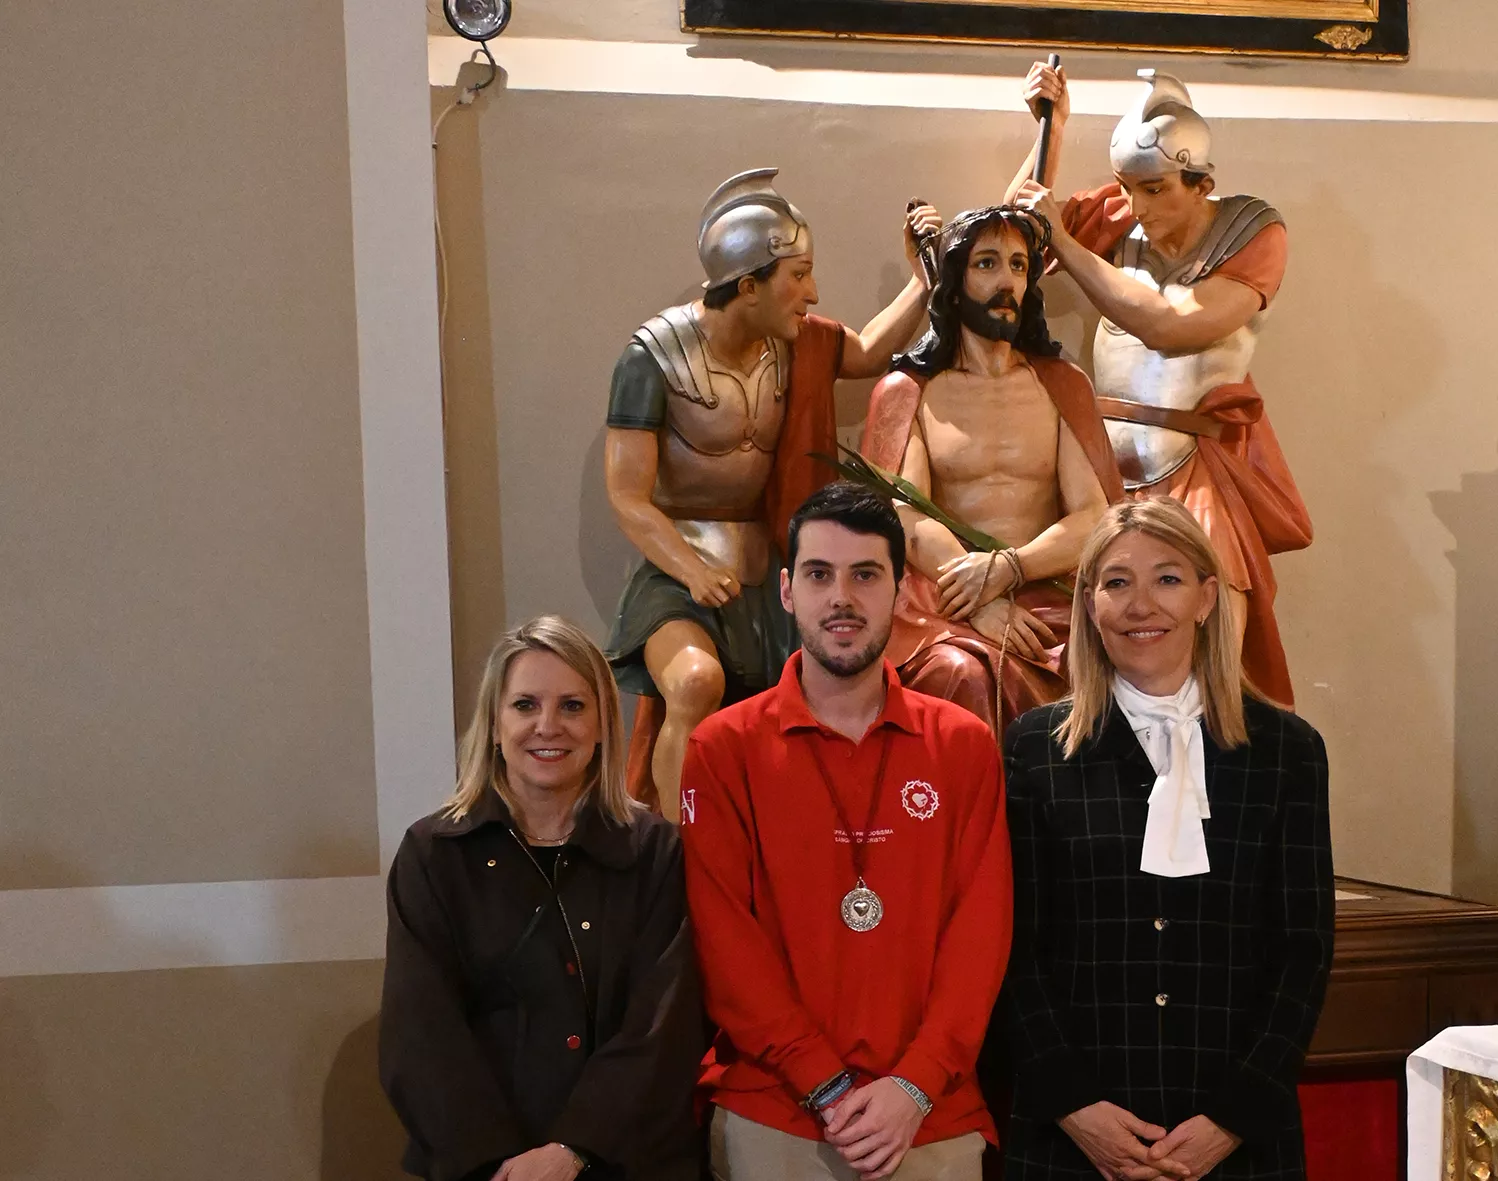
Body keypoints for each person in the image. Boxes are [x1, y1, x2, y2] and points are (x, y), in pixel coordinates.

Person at [680, 481, 1014, 1181]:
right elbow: (726, 945)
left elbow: (980, 932)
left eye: (866, 574)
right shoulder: (723, 747)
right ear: (786, 590)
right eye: (819, 574)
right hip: (777, 1111)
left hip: (931, 1113)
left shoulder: (962, 743)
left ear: (901, 590)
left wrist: (915, 1083)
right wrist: (827, 1084)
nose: (842, 597)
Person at [995, 499, 1333, 1181]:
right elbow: (1012, 949)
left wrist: (1230, 1118)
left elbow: (1303, 952)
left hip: (1235, 1143)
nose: (1140, 604)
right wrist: (1075, 1107)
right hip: (1074, 1141)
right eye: (1116, 582)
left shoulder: (1287, 752)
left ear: (1207, 597)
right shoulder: (1034, 748)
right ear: (1090, 604)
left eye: (1167, 579)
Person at [605, 167, 943, 820]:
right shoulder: (653, 356)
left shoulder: (794, 344)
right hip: (680, 573)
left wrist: (922, 283)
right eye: (800, 274)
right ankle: (678, 852)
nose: (812, 293)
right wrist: (690, 569)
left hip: (772, 574)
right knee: (697, 683)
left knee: (807, 704)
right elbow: (627, 495)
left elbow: (870, 351)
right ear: (750, 283)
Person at [1007, 62, 1313, 707]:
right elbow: (1010, 236)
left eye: (1154, 189)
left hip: (1196, 462)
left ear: (1201, 181)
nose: (1138, 205)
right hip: (1101, 464)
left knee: (1218, 618)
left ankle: (1223, 774)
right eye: (1128, 188)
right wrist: (1050, 132)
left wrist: (1063, 236)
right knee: (1092, 636)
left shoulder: (1252, 230)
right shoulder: (1118, 219)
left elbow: (1174, 327)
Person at [380, 616, 703, 1181]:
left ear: (603, 723)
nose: (548, 726)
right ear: (495, 723)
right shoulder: (433, 855)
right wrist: (500, 1164)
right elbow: (420, 1032)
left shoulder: (656, 851)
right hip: (481, 1166)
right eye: (525, 705)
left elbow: (664, 1023)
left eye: (573, 706)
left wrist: (573, 1150)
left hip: (626, 1159)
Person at [859, 204, 1119, 732]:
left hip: (1048, 590)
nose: (1007, 282)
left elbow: (1094, 515)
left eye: (1020, 266)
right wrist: (978, 601)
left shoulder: (1061, 386)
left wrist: (1010, 568)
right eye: (987, 264)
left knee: (1099, 660)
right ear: (953, 282)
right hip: (942, 600)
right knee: (963, 673)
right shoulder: (910, 392)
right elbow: (904, 520)